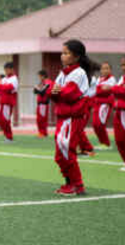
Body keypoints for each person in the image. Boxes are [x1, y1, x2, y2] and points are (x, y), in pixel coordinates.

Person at [49, 39, 93, 195]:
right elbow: (54, 93)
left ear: (77, 56)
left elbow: (69, 94)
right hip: (63, 116)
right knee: (60, 154)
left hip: (72, 117)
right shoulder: (63, 72)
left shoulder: (79, 73)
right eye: (62, 53)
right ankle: (69, 183)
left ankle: (77, 185)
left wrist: (57, 90)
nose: (62, 56)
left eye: (66, 53)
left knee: (67, 150)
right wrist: (53, 90)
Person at [92, 62, 116, 148]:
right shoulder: (99, 79)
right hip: (97, 104)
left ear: (110, 70)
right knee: (95, 124)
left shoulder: (112, 79)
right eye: (102, 68)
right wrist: (99, 89)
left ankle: (106, 143)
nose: (104, 70)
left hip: (105, 104)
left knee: (100, 124)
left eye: (107, 68)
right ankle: (102, 142)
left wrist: (98, 89)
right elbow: (96, 91)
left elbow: (104, 92)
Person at [0, 63, 18, 142]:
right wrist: (0, 87)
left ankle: (9, 137)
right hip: (1, 101)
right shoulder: (4, 79)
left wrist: (1, 86)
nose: (6, 71)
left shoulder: (14, 78)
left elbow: (9, 88)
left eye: (7, 69)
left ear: (12, 69)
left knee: (5, 119)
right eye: (5, 70)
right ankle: (6, 134)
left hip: (8, 102)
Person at [33, 70, 53, 138]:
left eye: (39, 76)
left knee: (42, 119)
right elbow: (35, 91)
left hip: (43, 103)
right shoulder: (42, 83)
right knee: (39, 119)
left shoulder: (48, 82)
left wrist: (37, 89)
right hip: (40, 103)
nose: (39, 78)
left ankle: (43, 132)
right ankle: (41, 132)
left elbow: (42, 92)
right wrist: (37, 89)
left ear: (43, 76)